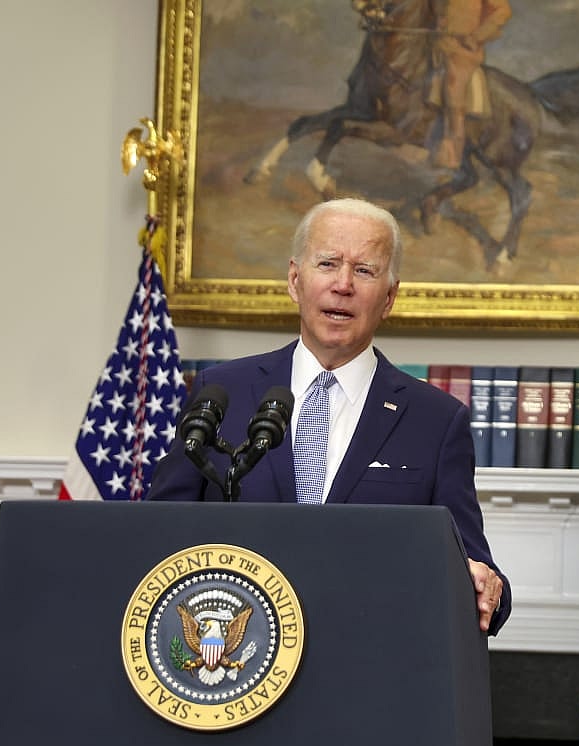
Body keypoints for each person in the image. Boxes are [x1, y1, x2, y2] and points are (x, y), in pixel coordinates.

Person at [148, 197, 509, 635]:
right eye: (328, 263)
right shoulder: (222, 393)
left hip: (367, 661)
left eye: (364, 270)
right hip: (235, 660)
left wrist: (488, 585)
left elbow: (475, 566)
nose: (343, 285)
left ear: (390, 297)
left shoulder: (436, 420)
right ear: (295, 280)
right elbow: (156, 535)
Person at [428, 0, 512, 169]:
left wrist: (477, 36)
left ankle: (452, 155)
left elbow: (503, 11)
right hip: (437, 47)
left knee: (454, 96)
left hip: (463, 51)